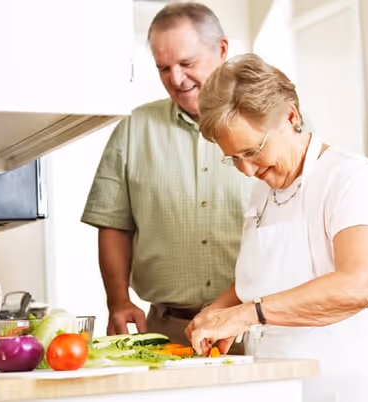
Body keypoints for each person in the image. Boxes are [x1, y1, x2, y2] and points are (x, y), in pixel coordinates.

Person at [186, 53, 368, 402]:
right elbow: (264, 278)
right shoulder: (263, 190)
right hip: (280, 381)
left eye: (253, 150)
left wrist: (247, 315)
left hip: (349, 381)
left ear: (290, 116)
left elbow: (359, 286)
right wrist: (218, 312)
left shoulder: (349, 176)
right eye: (233, 158)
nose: (246, 170)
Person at [81, 3, 254, 349]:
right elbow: (113, 224)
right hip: (166, 332)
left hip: (251, 327)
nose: (175, 79)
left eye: (187, 64)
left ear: (221, 49)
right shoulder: (132, 129)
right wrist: (117, 300)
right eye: (164, 68)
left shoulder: (271, 122)